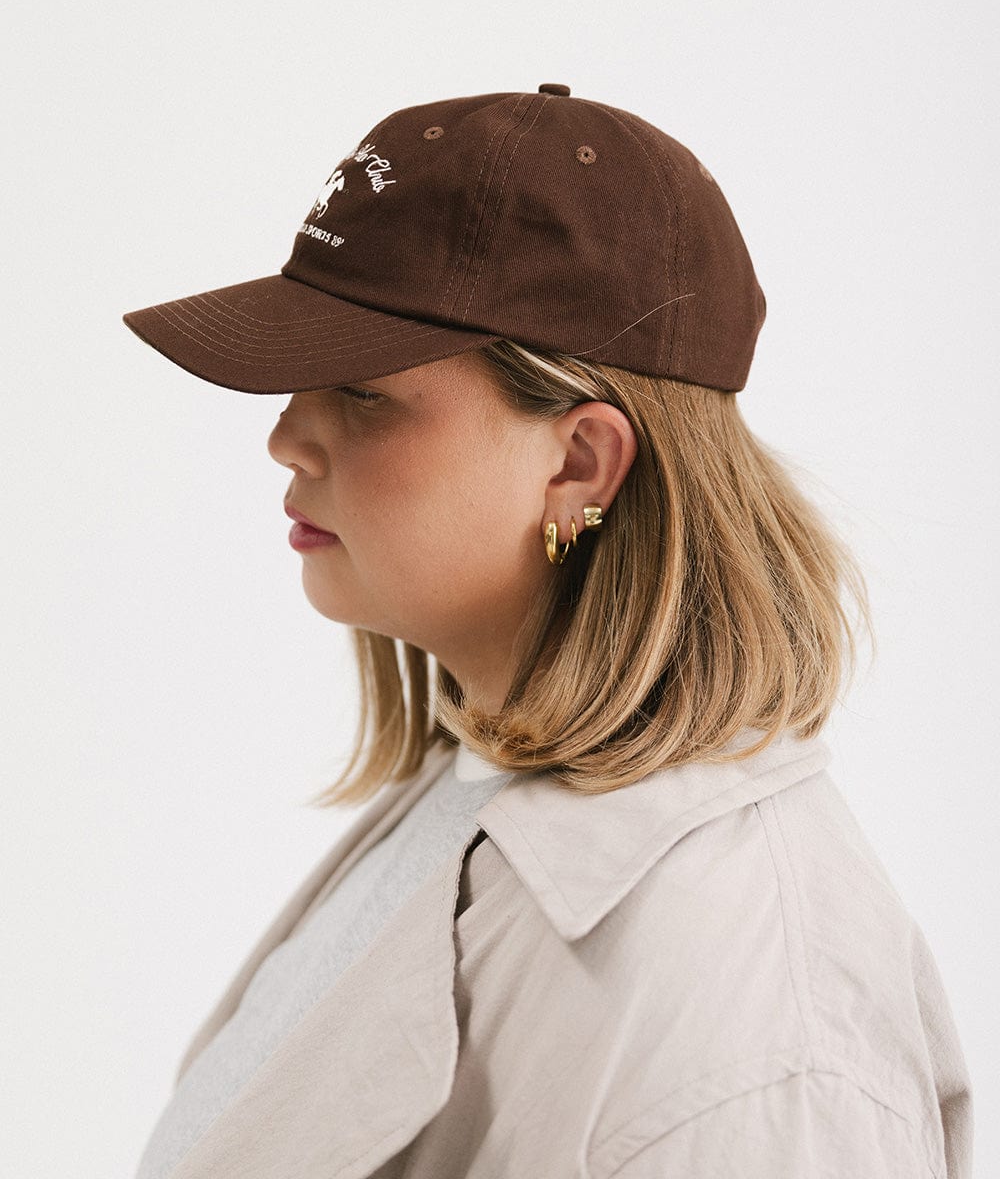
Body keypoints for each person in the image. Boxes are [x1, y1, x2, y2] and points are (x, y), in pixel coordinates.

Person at [122, 83, 973, 1178]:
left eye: (363, 393)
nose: (286, 437)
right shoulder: (483, 788)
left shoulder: (754, 1012)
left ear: (578, 465)